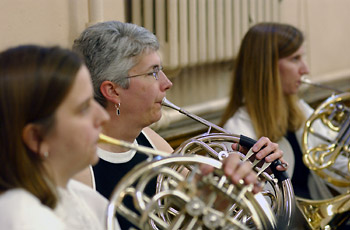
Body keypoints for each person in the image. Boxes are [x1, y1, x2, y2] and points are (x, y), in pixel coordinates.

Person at [72, 20, 287, 229]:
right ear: (112, 90)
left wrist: (243, 172)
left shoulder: (150, 141)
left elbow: (202, 212)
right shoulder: (79, 168)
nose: (167, 83)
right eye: (153, 73)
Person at [220, 22, 346, 200]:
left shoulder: (300, 110)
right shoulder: (236, 129)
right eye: (295, 59)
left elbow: (334, 166)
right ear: (267, 68)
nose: (305, 70)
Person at [0, 45, 120, 230]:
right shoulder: (27, 221)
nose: (103, 117)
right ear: (36, 137)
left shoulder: (90, 202)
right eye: (84, 108)